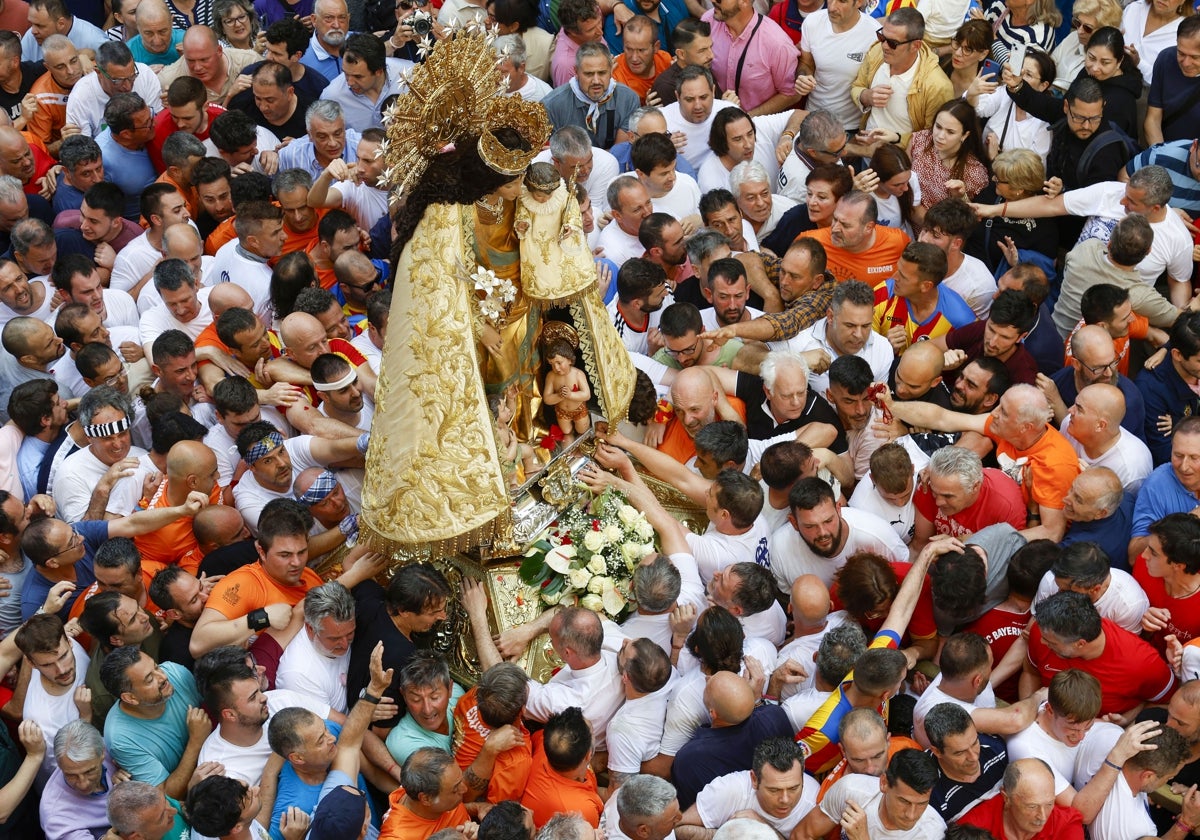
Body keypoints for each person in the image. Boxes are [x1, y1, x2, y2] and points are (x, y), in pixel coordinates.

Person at [1023, 591, 1176, 717]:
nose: (1043, 643)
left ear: (1080, 643)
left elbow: (1166, 703)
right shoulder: (1044, 631)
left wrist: (1128, 720)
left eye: (1052, 643)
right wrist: (1029, 713)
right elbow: (1031, 673)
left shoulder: (1142, 663)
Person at [851, 8, 953, 150]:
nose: (884, 46)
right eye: (882, 37)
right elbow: (857, 86)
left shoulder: (938, 86)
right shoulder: (876, 53)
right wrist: (865, 96)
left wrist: (896, 139)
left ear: (915, 45)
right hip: (866, 153)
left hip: (901, 164)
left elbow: (933, 137)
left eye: (893, 43)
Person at [792, 749, 946, 839]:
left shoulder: (932, 833)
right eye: (904, 801)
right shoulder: (851, 790)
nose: (911, 815)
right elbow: (801, 835)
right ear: (884, 783)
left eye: (922, 804)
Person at [678, 738, 817, 838]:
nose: (785, 800)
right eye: (774, 790)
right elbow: (676, 829)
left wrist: (762, 828)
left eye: (793, 788)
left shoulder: (814, 800)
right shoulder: (728, 790)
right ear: (754, 780)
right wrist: (731, 833)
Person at [957, 758, 1084, 838]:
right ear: (1006, 798)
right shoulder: (972, 830)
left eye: (1049, 804)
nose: (1042, 816)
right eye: (1032, 806)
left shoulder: (1065, 823)